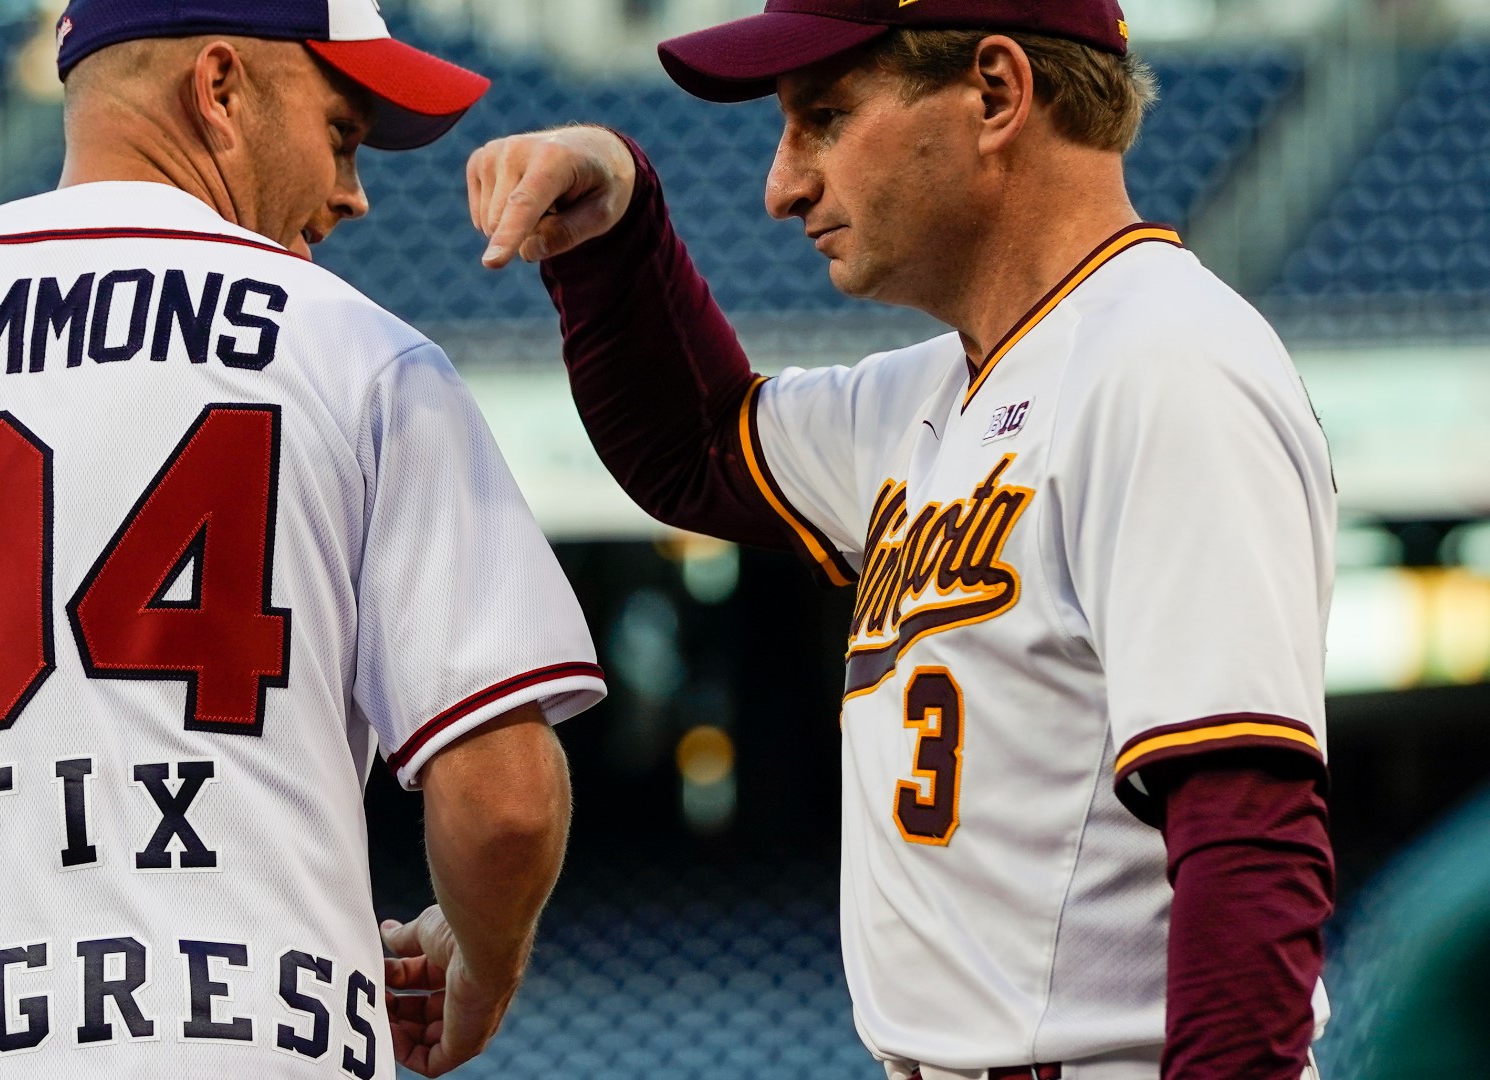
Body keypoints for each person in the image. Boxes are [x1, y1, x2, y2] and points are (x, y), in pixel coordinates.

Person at [0, 2, 606, 1077]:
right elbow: (504, 805)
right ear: (221, 87)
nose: (353, 194)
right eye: (341, 133)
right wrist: (482, 959)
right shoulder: (359, 356)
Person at [467, 1, 1333, 1077]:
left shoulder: (1166, 366)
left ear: (997, 93)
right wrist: (618, 225)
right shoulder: (938, 388)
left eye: (824, 116)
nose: (782, 186)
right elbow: (694, 451)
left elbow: (1249, 832)